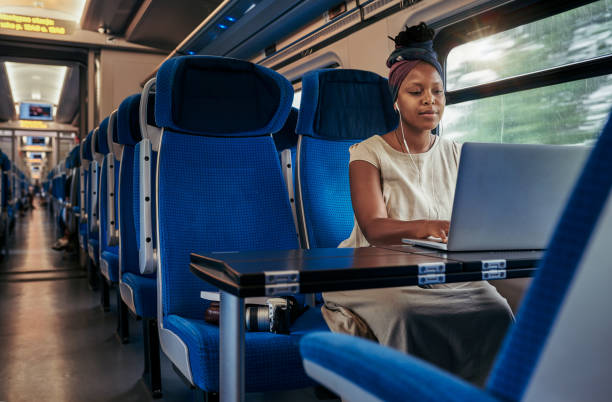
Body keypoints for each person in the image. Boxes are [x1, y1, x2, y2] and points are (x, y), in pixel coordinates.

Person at [321, 22, 514, 385]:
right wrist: (428, 226)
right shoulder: (367, 152)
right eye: (416, 91)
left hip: (440, 268)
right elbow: (373, 228)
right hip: (375, 270)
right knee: (406, 314)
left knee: (496, 309)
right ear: (396, 99)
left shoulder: (457, 153)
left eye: (438, 91)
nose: (430, 100)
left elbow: (478, 214)